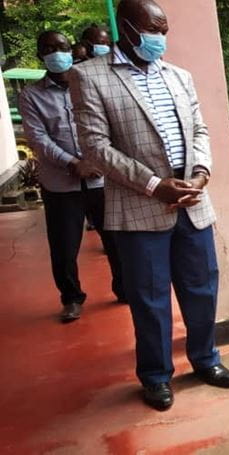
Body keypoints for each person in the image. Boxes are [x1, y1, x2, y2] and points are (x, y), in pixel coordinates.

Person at [68, 0, 229, 411]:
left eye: (164, 30)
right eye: (152, 30)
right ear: (126, 29)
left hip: (192, 201)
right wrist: (153, 184)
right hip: (139, 207)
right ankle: (157, 376)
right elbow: (96, 146)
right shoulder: (88, 76)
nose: (160, 38)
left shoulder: (178, 75)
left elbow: (199, 128)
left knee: (202, 288)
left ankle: (205, 359)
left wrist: (200, 174)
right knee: (149, 298)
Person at [19, 30, 126, 323]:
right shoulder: (31, 96)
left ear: (72, 49)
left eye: (62, 47)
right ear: (41, 55)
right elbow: (38, 138)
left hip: (101, 179)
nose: (57, 53)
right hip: (61, 184)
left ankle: (125, 289)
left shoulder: (90, 84)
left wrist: (100, 160)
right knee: (64, 247)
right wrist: (72, 163)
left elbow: (110, 124)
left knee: (116, 237)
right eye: (49, 48)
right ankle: (71, 298)